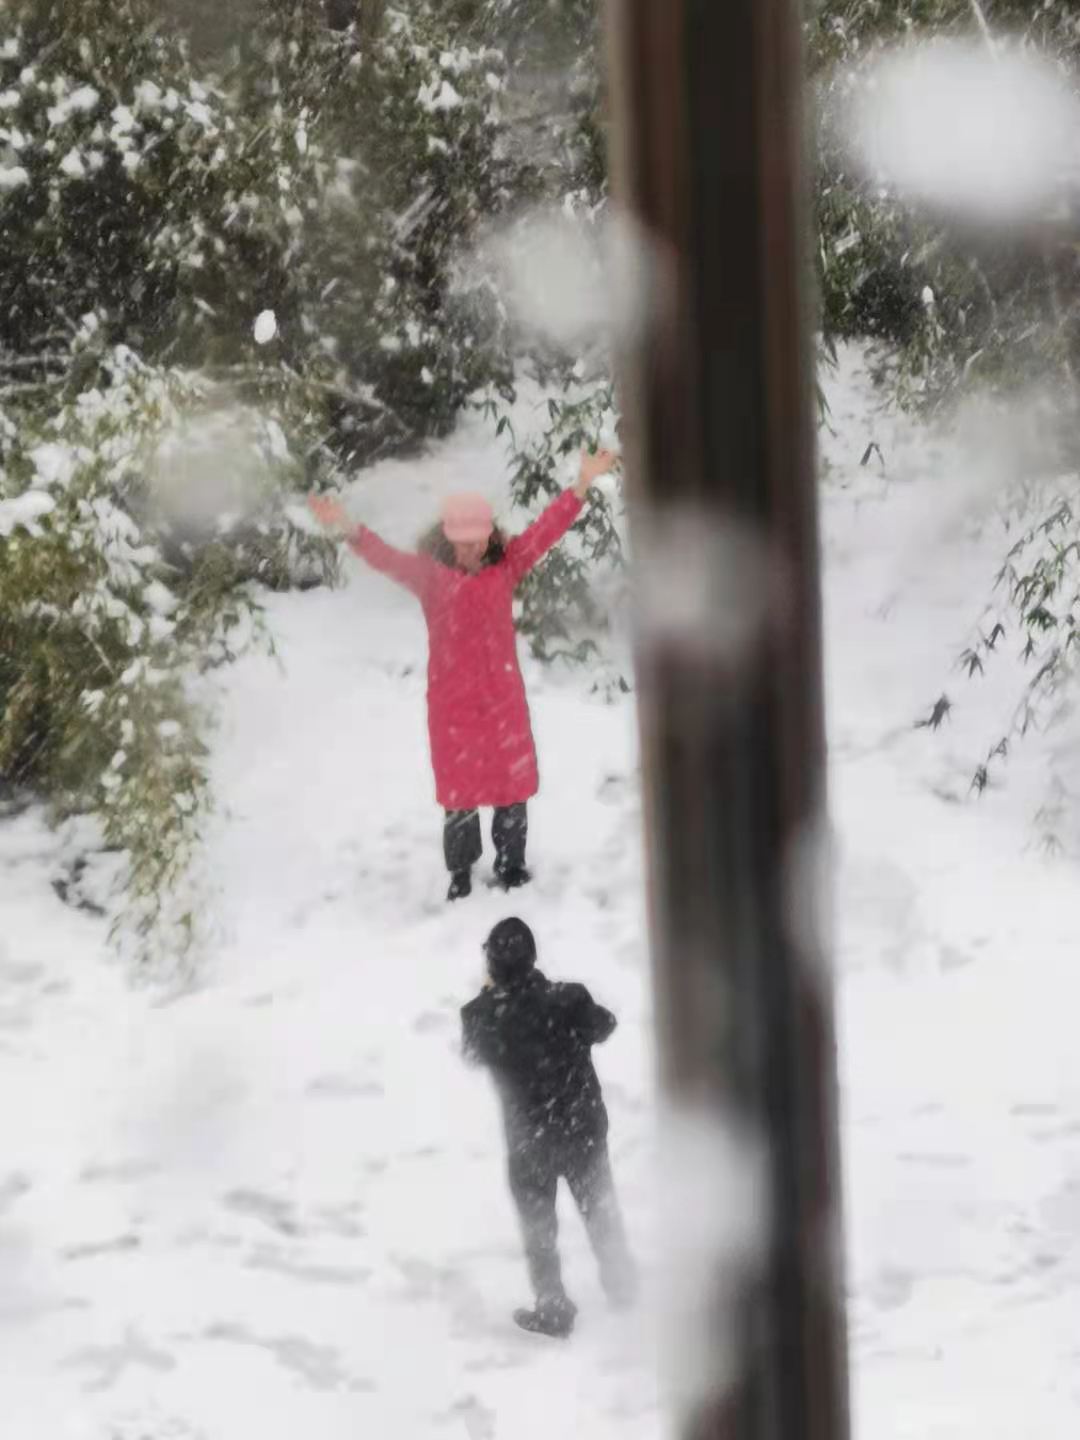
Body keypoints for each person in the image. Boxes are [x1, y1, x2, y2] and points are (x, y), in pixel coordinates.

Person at [308, 448, 617, 900]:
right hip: (453, 707)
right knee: (460, 795)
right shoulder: (430, 578)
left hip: (501, 700)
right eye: (463, 539)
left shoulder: (507, 565)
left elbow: (544, 532)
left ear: (490, 535)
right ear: (447, 537)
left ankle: (512, 867)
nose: (471, 547)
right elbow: (384, 557)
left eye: (478, 538)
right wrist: (346, 525)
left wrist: (581, 485)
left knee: (512, 787)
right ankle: (461, 874)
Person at [461, 917, 636, 1338]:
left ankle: (552, 1303)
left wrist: (496, 997)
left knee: (539, 1226)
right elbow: (605, 1024)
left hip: (529, 1141)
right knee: (600, 1211)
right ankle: (622, 1286)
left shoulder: (482, 1015)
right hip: (582, 1130)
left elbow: (474, 1053)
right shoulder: (568, 1000)